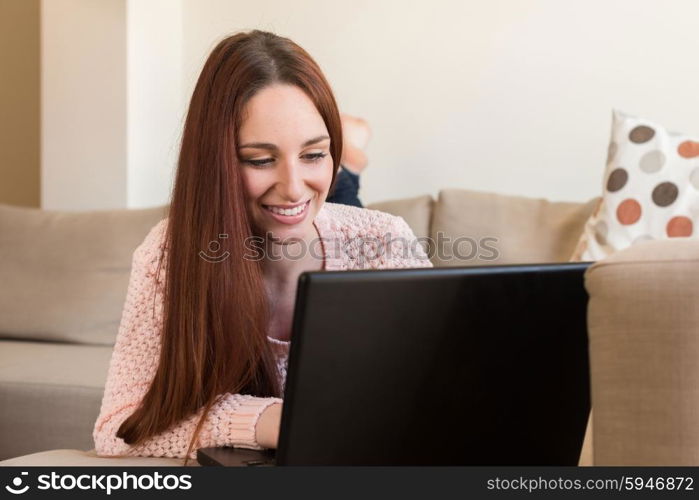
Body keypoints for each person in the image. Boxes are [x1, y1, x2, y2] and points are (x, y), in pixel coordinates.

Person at [92, 29, 431, 466]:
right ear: (215, 161)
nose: (292, 187)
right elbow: (118, 428)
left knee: (335, 199)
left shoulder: (385, 242)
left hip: (340, 223)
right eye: (259, 159)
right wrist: (274, 419)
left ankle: (348, 156)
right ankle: (347, 155)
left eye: (314, 153)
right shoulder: (167, 254)